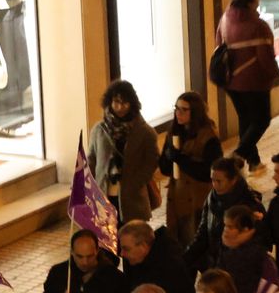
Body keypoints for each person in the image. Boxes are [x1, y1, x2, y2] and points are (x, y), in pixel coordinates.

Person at [215, 0, 279, 174]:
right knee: (262, 120)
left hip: (230, 81)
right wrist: (273, 74)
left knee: (246, 120)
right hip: (253, 82)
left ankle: (253, 162)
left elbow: (219, 43)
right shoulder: (258, 26)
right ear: (251, 1)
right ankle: (240, 154)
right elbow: (265, 57)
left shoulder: (225, 19)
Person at [87, 79, 160, 221]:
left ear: (132, 104)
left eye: (124, 103)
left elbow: (152, 162)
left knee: (133, 238)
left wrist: (136, 182)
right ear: (109, 102)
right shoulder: (99, 130)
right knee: (107, 240)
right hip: (104, 197)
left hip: (133, 199)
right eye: (116, 102)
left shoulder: (145, 132)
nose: (120, 107)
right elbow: (92, 158)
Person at [160, 91, 223, 248]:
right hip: (177, 200)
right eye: (176, 108)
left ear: (195, 112)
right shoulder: (174, 133)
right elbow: (165, 169)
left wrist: (180, 158)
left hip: (198, 201)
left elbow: (209, 173)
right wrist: (168, 157)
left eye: (183, 109)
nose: (178, 113)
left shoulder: (208, 137)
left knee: (198, 244)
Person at [185, 156, 266, 273]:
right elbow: (203, 234)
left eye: (219, 181)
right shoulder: (211, 198)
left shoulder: (249, 205)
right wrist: (184, 259)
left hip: (238, 268)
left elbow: (260, 242)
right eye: (212, 180)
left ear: (233, 180)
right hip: (214, 266)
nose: (214, 185)